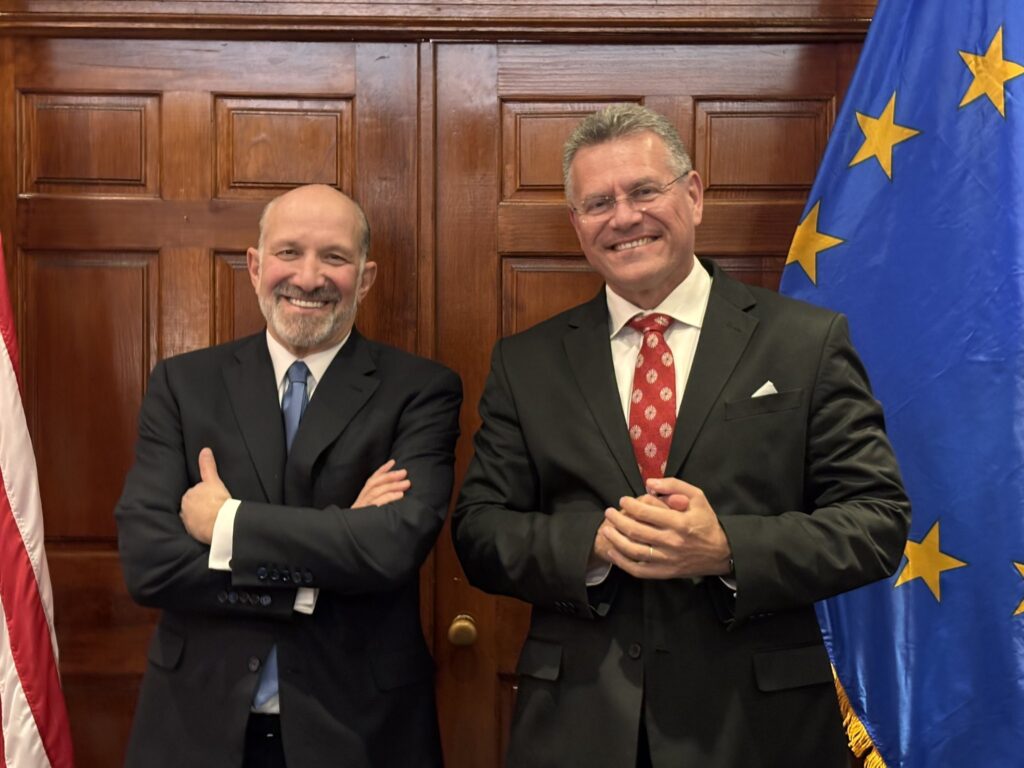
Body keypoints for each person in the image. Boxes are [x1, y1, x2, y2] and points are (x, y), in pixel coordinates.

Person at [451, 104, 910, 767]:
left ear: (692, 195)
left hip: (758, 730)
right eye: (598, 203)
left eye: (644, 191)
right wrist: (591, 546)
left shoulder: (805, 342)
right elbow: (479, 530)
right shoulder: (527, 362)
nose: (624, 217)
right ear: (577, 224)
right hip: (579, 728)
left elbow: (876, 522)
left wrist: (727, 548)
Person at [115, 184, 461, 768]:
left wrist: (227, 524)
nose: (308, 277)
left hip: (361, 730)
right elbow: (149, 561)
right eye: (288, 253)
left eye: (334, 257)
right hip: (195, 726)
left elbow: (390, 548)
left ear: (366, 278)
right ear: (255, 267)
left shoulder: (420, 391)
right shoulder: (183, 384)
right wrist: (328, 552)